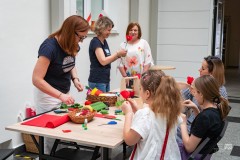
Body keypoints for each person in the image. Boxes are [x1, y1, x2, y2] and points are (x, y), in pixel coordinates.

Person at [32, 15, 89, 153]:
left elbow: (70, 63)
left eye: (83, 38)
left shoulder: (72, 44)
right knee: (51, 139)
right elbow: (36, 79)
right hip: (48, 96)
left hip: (63, 93)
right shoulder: (49, 47)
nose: (81, 42)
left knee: (64, 133)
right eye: (80, 37)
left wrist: (75, 79)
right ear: (71, 32)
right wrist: (60, 95)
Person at [121, 69, 182, 159]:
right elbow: (153, 124)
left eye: (140, 88)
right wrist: (137, 111)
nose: (140, 91)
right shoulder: (171, 112)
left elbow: (129, 140)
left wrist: (128, 114)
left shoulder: (145, 115)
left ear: (147, 93)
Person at [177, 55, 228, 143]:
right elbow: (181, 100)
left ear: (211, 74)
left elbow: (207, 121)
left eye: (203, 68)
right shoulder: (200, 85)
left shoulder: (216, 95)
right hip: (194, 128)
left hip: (194, 132)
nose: (199, 70)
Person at [179, 75, 230, 160]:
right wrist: (195, 109)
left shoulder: (205, 117)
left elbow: (189, 147)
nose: (194, 95)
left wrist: (183, 123)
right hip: (203, 155)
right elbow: (204, 127)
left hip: (193, 156)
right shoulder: (216, 110)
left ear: (201, 94)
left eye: (194, 92)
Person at [88, 16, 127, 92]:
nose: (109, 32)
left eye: (110, 30)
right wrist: (117, 54)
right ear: (101, 28)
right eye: (108, 30)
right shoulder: (95, 42)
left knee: (107, 103)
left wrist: (119, 55)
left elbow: (108, 59)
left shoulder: (104, 42)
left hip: (105, 80)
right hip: (98, 81)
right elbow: (103, 61)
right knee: (102, 103)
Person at [118, 22, 153, 87]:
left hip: (142, 78)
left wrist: (143, 77)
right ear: (128, 32)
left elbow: (148, 61)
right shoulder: (123, 45)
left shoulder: (143, 43)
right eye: (131, 30)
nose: (133, 32)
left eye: (135, 30)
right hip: (128, 78)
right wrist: (125, 77)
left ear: (139, 32)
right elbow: (120, 63)